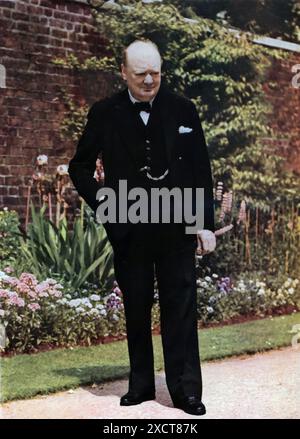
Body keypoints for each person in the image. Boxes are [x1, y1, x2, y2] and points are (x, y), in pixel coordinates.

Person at [68, 39, 216, 416]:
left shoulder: (184, 109)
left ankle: (185, 391)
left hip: (177, 224)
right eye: (141, 74)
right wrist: (107, 205)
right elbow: (79, 168)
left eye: (156, 72)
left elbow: (201, 171)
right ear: (124, 73)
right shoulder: (105, 112)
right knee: (136, 307)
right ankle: (141, 385)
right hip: (129, 228)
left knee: (180, 308)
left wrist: (204, 225)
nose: (150, 80)